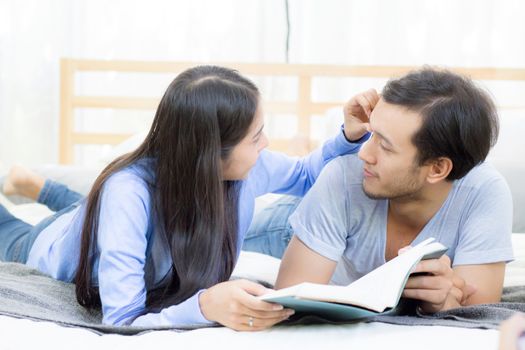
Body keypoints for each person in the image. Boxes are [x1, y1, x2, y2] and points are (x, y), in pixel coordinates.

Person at [0, 65, 369, 331]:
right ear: (212, 153)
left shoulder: (249, 169)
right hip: (43, 243)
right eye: (256, 137)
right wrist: (204, 305)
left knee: (83, 202)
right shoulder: (126, 194)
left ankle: (34, 184)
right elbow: (122, 319)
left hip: (93, 216)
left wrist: (349, 136)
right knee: (11, 227)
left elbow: (306, 176)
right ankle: (28, 188)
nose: (267, 144)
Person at [245, 67, 513, 313]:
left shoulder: (484, 192)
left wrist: (443, 303)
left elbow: (478, 311)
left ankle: (301, 148)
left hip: (340, 212)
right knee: (227, 238)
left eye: (384, 146)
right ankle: (299, 148)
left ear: (438, 169)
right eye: (371, 134)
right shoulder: (341, 175)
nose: (363, 153)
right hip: (285, 226)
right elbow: (290, 300)